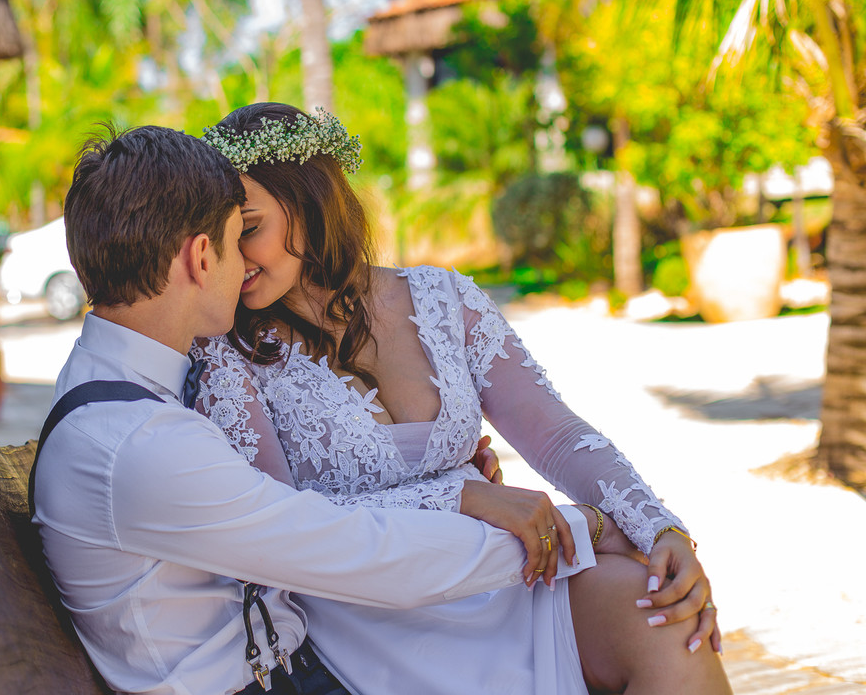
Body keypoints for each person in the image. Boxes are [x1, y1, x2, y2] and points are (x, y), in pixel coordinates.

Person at [30, 124, 604, 695]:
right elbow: (359, 552)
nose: (244, 266)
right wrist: (583, 529)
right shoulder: (139, 443)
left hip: (297, 662)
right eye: (236, 240)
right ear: (202, 257)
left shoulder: (122, 393)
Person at [193, 102, 732, 695]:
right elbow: (284, 529)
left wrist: (661, 531)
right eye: (219, 238)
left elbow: (555, 434)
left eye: (248, 229)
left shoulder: (443, 299)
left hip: (502, 572)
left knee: (666, 618)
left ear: (309, 201)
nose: (235, 258)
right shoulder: (226, 354)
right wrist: (462, 496)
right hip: (370, 621)